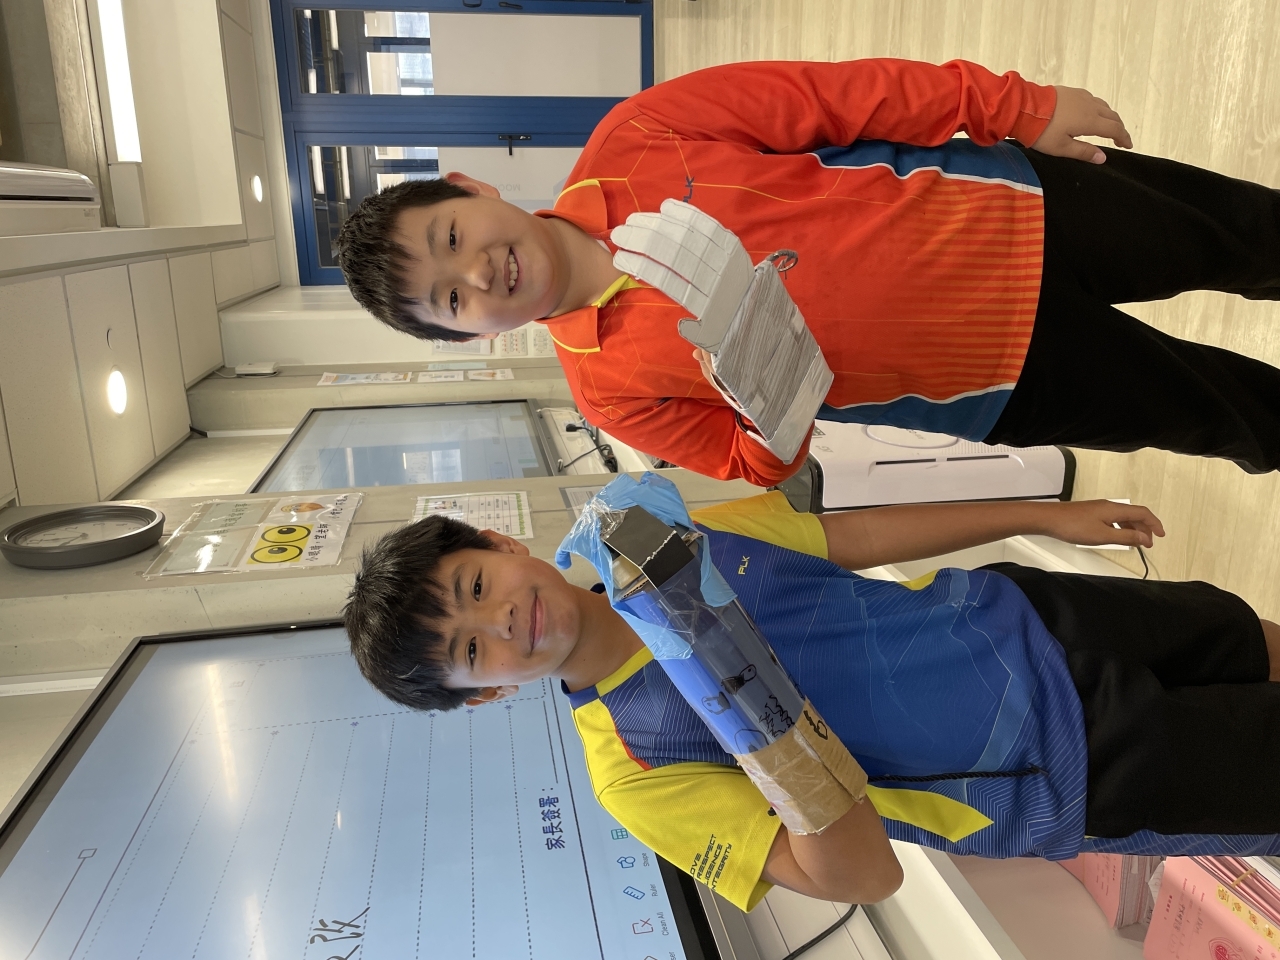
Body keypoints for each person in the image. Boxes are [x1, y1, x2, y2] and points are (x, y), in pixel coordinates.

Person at [336, 57, 1280, 485]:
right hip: (1001, 385)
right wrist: (766, 388)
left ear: (471, 187)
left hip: (1017, 211)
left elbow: (839, 98)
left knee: (1243, 236)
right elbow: (757, 464)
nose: (478, 274)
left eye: (451, 236)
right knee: (1224, 414)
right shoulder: (610, 394)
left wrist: (1012, 105)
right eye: (451, 300)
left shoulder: (639, 133)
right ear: (469, 335)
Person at [343, 492, 1280, 911]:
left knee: (1248, 636)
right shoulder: (632, 769)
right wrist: (759, 722)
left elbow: (847, 537)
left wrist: (1040, 512)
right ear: (487, 695)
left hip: (1035, 612)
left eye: (475, 588)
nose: (502, 621)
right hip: (1059, 767)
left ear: (500, 543)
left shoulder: (656, 536)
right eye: (473, 651)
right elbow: (862, 879)